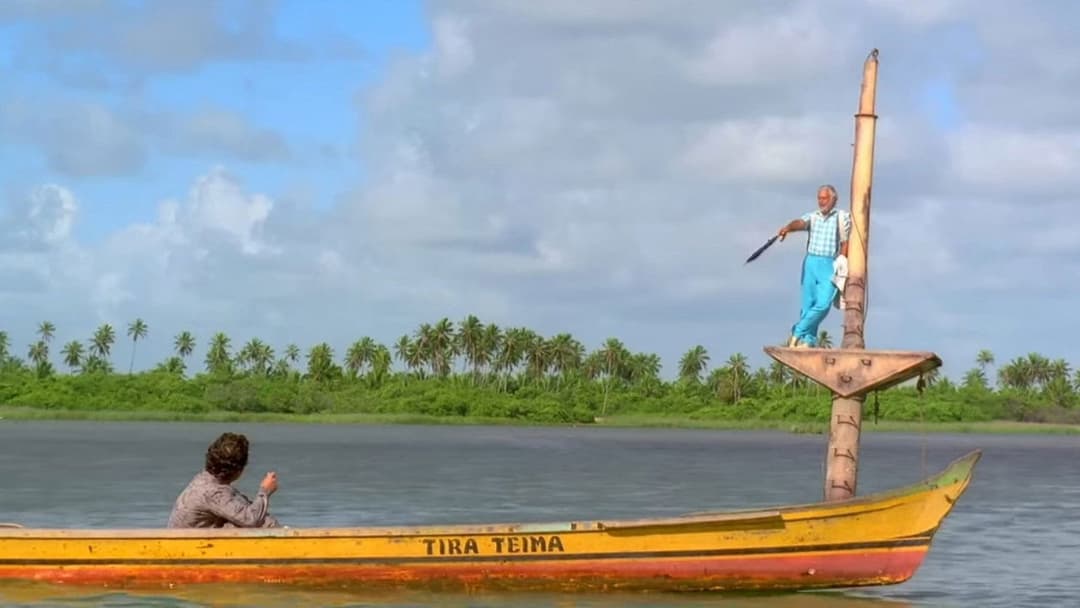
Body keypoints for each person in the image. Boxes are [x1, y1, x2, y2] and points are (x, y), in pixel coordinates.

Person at [776, 184, 851, 348]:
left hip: (829, 263)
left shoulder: (841, 217)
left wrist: (842, 260)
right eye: (819, 198)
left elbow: (846, 242)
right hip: (811, 261)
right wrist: (788, 228)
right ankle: (808, 340)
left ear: (833, 199)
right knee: (807, 303)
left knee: (823, 304)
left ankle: (797, 332)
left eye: (824, 198)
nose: (821, 201)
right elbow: (800, 223)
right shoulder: (813, 216)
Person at [167, 431, 282, 529]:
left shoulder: (203, 480)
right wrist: (265, 491)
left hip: (188, 544)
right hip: (190, 550)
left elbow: (239, 506)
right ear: (239, 470)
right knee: (259, 524)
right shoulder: (214, 492)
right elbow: (250, 519)